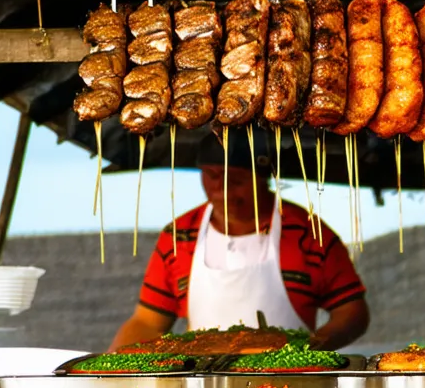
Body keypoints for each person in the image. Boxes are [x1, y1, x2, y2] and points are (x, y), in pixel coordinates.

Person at [109, 130, 369, 351]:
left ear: (263, 178)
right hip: (203, 387)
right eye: (212, 175)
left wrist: (311, 346)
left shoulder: (310, 234)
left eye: (236, 179)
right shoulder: (179, 236)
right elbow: (147, 321)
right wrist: (113, 366)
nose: (222, 188)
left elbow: (352, 311)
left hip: (289, 384)